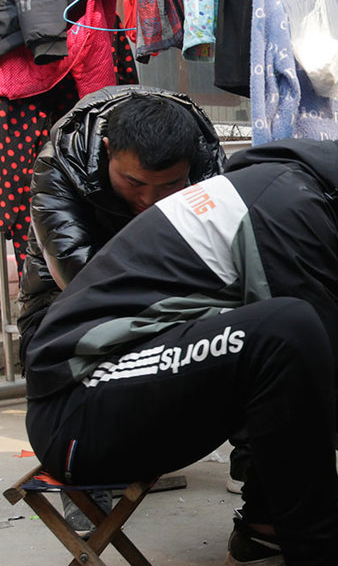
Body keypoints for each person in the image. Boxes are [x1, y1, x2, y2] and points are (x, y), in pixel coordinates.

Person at [24, 107, 338, 566]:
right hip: (80, 409)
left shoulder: (297, 195)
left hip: (120, 392)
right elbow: (318, 349)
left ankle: (267, 527)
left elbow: (315, 369)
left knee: (284, 331)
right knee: (288, 328)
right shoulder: (292, 204)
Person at [16, 86, 227, 532]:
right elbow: (83, 280)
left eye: (170, 184)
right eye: (133, 183)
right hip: (66, 309)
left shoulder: (207, 160)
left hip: (171, 298)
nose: (150, 200)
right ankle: (87, 479)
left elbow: (223, 254)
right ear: (108, 150)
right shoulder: (59, 165)